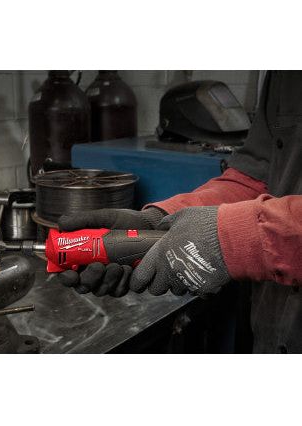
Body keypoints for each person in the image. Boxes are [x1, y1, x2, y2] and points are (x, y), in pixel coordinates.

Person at [56, 71, 302, 353]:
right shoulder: (284, 76)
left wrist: (232, 239)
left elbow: (237, 232)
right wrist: (160, 220)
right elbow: (256, 176)